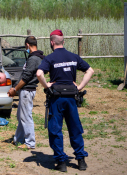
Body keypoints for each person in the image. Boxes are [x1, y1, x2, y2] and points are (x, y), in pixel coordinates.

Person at [36, 29, 94, 172]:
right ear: (63, 42)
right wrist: (79, 86)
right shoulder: (73, 57)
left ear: (51, 42)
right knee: (75, 128)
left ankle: (61, 163)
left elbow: (39, 73)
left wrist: (47, 86)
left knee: (56, 130)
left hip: (56, 99)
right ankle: (81, 161)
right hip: (72, 99)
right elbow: (90, 71)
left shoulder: (49, 58)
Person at [7, 36, 44, 149]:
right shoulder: (34, 57)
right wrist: (15, 88)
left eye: (25, 46)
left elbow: (26, 78)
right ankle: (18, 138)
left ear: (27, 45)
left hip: (27, 90)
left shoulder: (33, 59)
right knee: (21, 116)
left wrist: (15, 89)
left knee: (26, 117)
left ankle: (30, 143)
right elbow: (24, 75)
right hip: (25, 90)